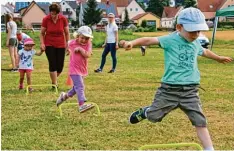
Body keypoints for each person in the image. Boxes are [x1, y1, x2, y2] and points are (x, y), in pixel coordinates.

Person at [120, 7, 233, 151]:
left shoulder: (195, 42)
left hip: (190, 91)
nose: (196, 34)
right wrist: (133, 42)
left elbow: (204, 51)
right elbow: (149, 40)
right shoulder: (170, 39)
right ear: (179, 27)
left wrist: (217, 58)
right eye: (192, 31)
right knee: (154, 117)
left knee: (200, 121)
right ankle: (145, 112)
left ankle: (209, 149)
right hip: (169, 90)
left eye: (198, 31)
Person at [56, 26, 94, 113]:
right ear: (77, 36)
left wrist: (80, 49)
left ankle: (64, 96)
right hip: (74, 69)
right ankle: (81, 105)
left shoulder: (88, 44)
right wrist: (67, 50)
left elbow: (88, 55)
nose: (84, 40)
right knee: (80, 86)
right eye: (82, 38)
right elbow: (66, 44)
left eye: (87, 38)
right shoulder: (72, 43)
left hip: (82, 69)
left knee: (75, 88)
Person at [40, 3, 70, 89]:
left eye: (55, 14)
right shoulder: (46, 19)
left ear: (58, 13)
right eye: (51, 13)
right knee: (52, 63)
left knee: (60, 67)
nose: (53, 15)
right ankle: (54, 84)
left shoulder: (63, 19)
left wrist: (68, 44)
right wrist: (42, 43)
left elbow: (67, 33)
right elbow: (42, 33)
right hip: (49, 43)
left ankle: (54, 81)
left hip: (61, 44)